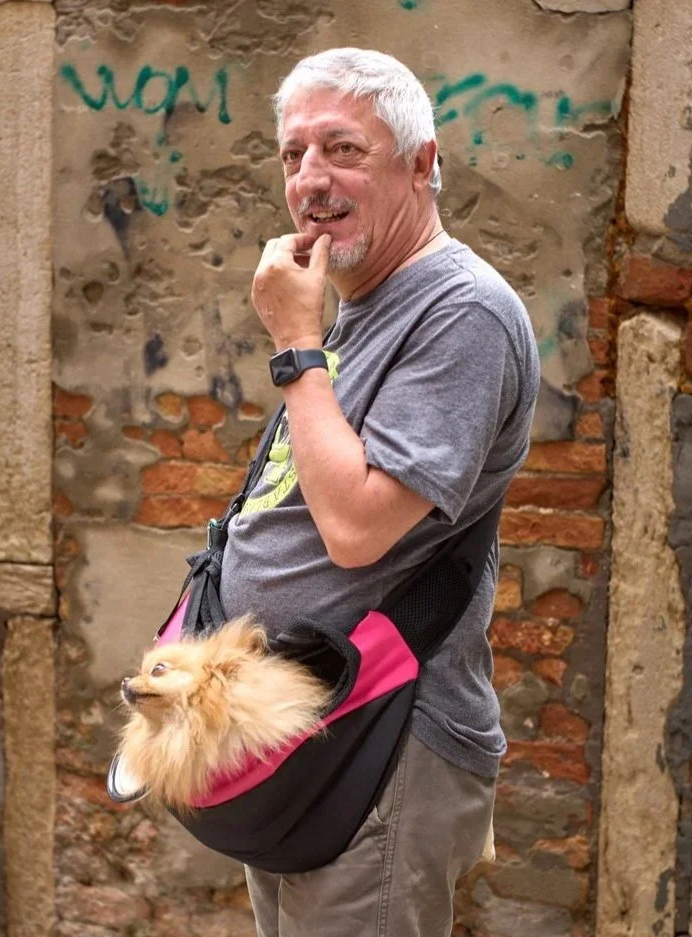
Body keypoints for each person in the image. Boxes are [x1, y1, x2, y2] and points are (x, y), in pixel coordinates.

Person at [218, 47, 540, 937]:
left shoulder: (460, 312)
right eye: (293, 155)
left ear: (422, 165)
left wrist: (294, 345)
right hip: (303, 731)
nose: (311, 181)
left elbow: (359, 527)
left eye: (342, 150)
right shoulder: (359, 302)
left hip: (385, 741)